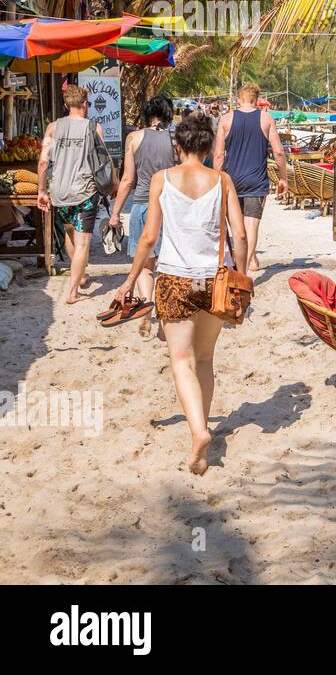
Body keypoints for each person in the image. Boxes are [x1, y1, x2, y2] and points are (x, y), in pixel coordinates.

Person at [114, 113, 249, 475]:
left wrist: (130, 279)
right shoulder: (222, 180)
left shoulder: (162, 179)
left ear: (177, 147)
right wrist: (244, 275)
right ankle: (201, 427)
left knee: (180, 359)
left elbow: (148, 238)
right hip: (214, 281)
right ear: (208, 147)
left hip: (174, 279)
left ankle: (199, 431)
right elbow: (239, 235)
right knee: (204, 360)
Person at [36, 84, 117, 304]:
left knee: (70, 231)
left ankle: (79, 276)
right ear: (84, 104)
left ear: (65, 105)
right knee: (82, 243)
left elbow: (44, 161)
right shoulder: (94, 128)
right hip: (84, 193)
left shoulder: (52, 128)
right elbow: (105, 161)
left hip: (59, 192)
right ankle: (72, 292)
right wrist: (114, 185)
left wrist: (41, 190)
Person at [108, 95, 178, 324]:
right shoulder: (176, 139)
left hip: (141, 206)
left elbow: (127, 180)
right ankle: (166, 310)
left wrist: (116, 212)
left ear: (148, 114)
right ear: (168, 114)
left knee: (145, 265)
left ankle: (146, 310)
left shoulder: (134, 138)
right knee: (168, 264)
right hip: (169, 207)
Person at [213, 83, 288, 272]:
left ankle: (244, 264)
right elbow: (278, 152)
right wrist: (283, 178)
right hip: (257, 181)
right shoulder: (266, 119)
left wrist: (216, 179)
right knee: (251, 227)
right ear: (256, 100)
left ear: (238, 99)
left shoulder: (225, 120)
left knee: (238, 231)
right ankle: (244, 271)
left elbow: (219, 155)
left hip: (231, 181)